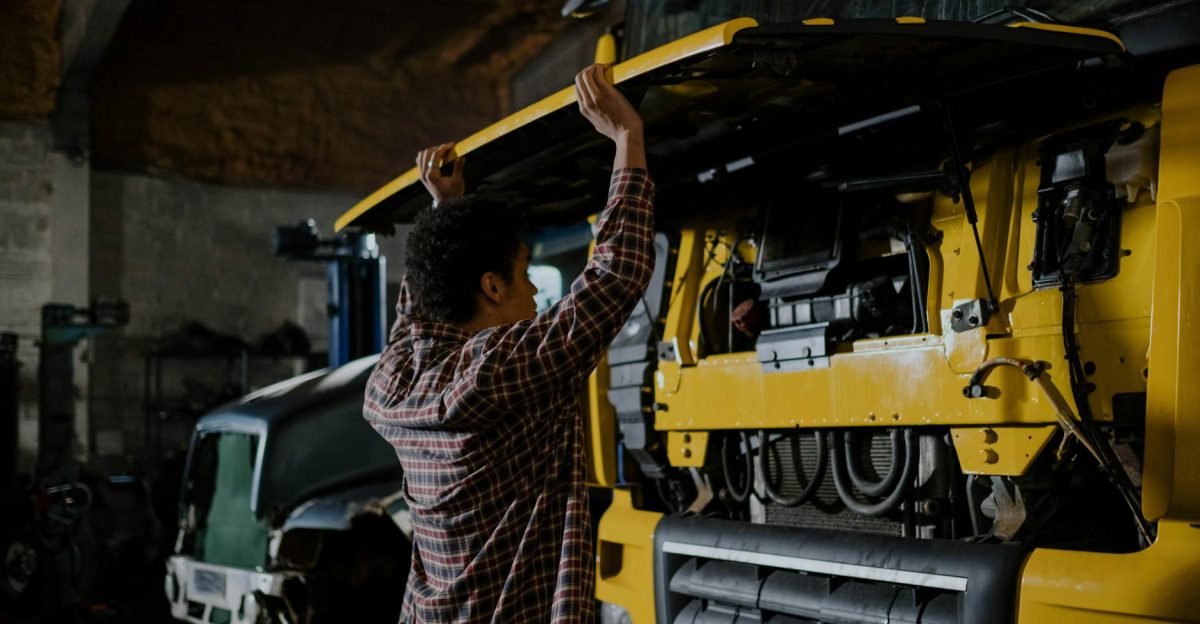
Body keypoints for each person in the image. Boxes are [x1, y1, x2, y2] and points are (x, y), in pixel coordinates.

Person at [363, 64, 654, 623]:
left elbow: (419, 313)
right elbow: (613, 280)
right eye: (526, 277)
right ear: (492, 287)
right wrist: (626, 139)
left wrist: (446, 210)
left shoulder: (390, 384)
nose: (537, 298)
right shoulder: (499, 369)